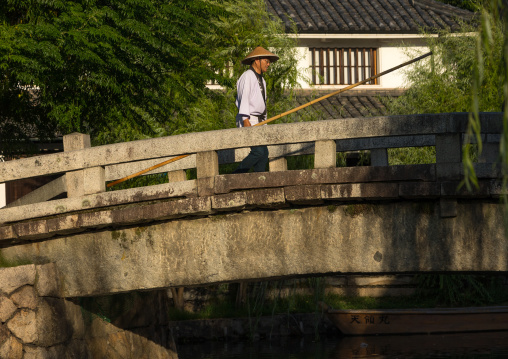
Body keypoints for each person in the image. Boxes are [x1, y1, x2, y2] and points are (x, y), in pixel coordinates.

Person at [233, 46, 279, 173]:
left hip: (260, 122)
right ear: (257, 60)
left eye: (269, 62)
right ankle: (236, 175)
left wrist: (265, 122)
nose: (268, 64)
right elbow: (244, 98)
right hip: (249, 120)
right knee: (258, 152)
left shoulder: (262, 80)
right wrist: (245, 120)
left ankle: (260, 180)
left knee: (264, 154)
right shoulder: (247, 76)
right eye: (266, 61)